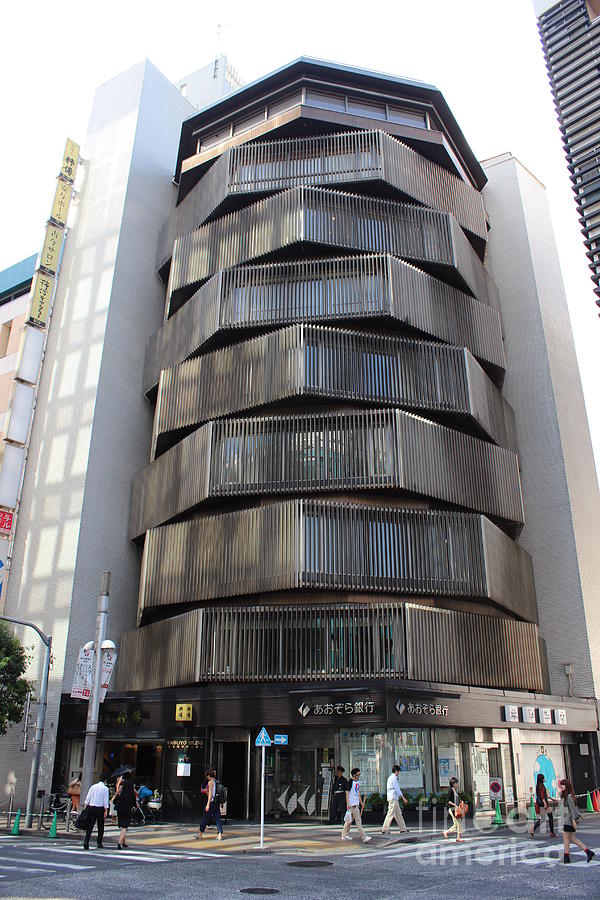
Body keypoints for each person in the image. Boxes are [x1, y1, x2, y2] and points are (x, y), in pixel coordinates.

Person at [560, 778, 595, 864]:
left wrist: (573, 820)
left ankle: (567, 857)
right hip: (568, 820)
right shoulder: (567, 796)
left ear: (566, 786)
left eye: (562, 785)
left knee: (566, 838)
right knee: (572, 838)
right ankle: (588, 852)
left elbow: (572, 809)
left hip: (569, 820)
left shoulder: (568, 796)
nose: (561, 786)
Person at [341, 767, 371, 844]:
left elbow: (357, 793)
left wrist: (360, 802)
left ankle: (344, 834)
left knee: (349, 820)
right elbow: (347, 793)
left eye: (359, 775)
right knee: (358, 820)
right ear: (354, 775)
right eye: (357, 775)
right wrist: (348, 804)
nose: (358, 776)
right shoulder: (350, 782)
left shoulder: (357, 782)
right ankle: (364, 837)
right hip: (352, 804)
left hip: (355, 803)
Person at [195, 768, 224, 841]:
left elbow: (210, 794)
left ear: (208, 775)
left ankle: (200, 834)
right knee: (217, 819)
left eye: (207, 776)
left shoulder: (210, 782)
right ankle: (220, 834)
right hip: (216, 802)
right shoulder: (217, 781)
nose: (206, 777)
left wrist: (208, 804)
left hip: (211, 802)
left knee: (205, 818)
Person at [82, 775, 109, 850]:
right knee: (100, 826)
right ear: (105, 781)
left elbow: (88, 797)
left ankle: (86, 841)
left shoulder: (93, 787)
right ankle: (99, 843)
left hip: (91, 807)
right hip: (100, 808)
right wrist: (106, 810)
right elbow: (105, 800)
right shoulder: (105, 788)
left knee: (90, 826)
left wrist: (85, 806)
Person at [382, 764, 409, 834]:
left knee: (398, 814)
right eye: (398, 772)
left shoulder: (390, 778)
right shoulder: (394, 778)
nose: (399, 773)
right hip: (393, 798)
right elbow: (397, 789)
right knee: (391, 813)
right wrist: (403, 798)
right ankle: (385, 829)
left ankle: (403, 828)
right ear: (396, 771)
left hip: (393, 798)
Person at [113, 771, 137, 849]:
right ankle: (119, 842)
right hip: (127, 807)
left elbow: (118, 792)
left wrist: (114, 797)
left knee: (123, 825)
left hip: (120, 807)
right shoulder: (131, 791)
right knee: (125, 826)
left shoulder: (122, 786)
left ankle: (124, 842)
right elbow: (134, 799)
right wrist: (135, 806)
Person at [529, 773, 557, 839]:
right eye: (544, 778)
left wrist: (551, 798)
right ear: (542, 779)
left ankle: (532, 829)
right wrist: (545, 803)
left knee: (543, 819)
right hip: (543, 804)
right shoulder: (541, 786)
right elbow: (542, 796)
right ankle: (552, 832)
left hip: (541, 804)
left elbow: (544, 795)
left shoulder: (539, 786)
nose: (544, 779)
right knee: (550, 817)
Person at [443, 776, 465, 843]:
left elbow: (456, 799)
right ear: (453, 783)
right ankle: (458, 837)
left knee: (456, 824)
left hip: (454, 808)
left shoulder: (454, 790)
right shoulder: (450, 790)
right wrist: (455, 805)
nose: (457, 784)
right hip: (452, 809)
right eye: (456, 783)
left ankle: (446, 832)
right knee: (459, 823)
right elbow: (448, 801)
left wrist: (461, 801)